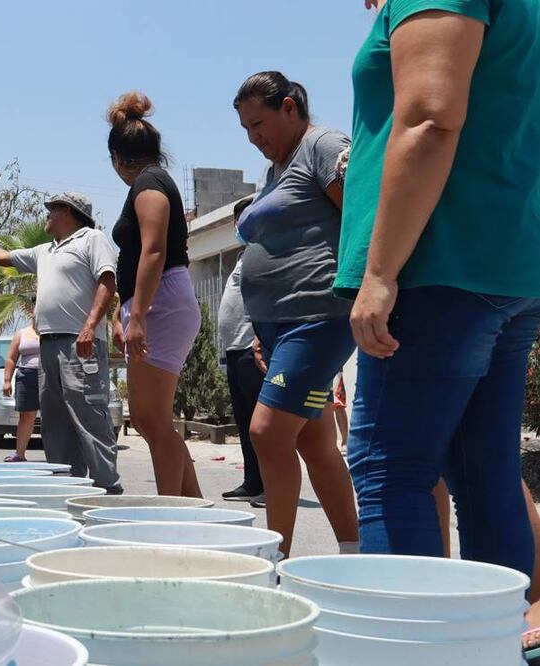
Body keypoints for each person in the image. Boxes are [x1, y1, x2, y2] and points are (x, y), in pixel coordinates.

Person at [339, 0, 540, 579]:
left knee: (387, 469)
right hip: (502, 262)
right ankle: (493, 642)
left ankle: (415, 650)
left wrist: (378, 275)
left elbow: (430, 116)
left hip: (437, 263)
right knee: (483, 473)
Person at [233, 72, 359, 556]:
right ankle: (353, 552)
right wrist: (262, 329)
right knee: (314, 443)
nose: (254, 137)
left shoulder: (323, 146)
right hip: (280, 326)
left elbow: (363, 217)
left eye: (258, 123)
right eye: (245, 128)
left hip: (320, 316)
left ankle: (276, 559)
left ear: (290, 107)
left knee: (267, 432)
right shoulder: (273, 173)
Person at [0, 193, 123, 492]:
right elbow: (4, 257)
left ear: (68, 212)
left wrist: (89, 328)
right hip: (48, 344)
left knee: (89, 416)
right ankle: (66, 489)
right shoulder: (44, 251)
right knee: (55, 423)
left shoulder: (91, 239)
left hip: (79, 343)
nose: (46, 215)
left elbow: (107, 281)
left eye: (52, 209)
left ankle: (108, 489)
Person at [106, 92, 201, 498]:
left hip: (160, 304)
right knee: (151, 419)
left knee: (150, 418)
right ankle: (194, 509)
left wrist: (139, 315)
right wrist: (122, 312)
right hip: (152, 302)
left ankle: (171, 515)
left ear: (117, 157)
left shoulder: (149, 184)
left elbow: (155, 250)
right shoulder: (151, 181)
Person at [218, 197, 264, 503]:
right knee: (245, 423)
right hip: (234, 350)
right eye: (237, 221)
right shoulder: (243, 255)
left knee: (262, 426)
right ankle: (252, 481)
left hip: (252, 349)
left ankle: (270, 484)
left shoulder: (261, 253)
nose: (239, 226)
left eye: (244, 219)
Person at [2, 321, 41, 463]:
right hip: (26, 376)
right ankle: (19, 454)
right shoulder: (22, 333)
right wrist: (7, 381)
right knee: (26, 415)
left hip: (48, 375)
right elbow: (11, 358)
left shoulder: (52, 332)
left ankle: (57, 455)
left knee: (52, 417)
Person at [332, 372, 348, 455]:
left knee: (338, 405)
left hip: (335, 371)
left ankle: (345, 442)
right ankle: (329, 444)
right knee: (324, 408)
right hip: (318, 370)